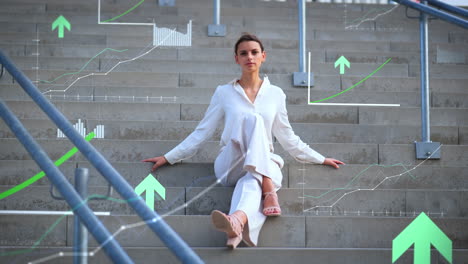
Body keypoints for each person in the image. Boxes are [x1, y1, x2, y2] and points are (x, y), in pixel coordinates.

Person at [143, 33, 344, 249]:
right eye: (244, 53)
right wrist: (169, 157)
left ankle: (236, 223)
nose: (250, 56)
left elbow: (287, 137)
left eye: (255, 52)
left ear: (263, 56)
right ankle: (269, 189)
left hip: (262, 163)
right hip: (231, 162)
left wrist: (320, 159)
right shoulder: (224, 93)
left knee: (250, 181)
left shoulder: (276, 94)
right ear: (236, 59)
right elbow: (202, 132)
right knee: (252, 120)